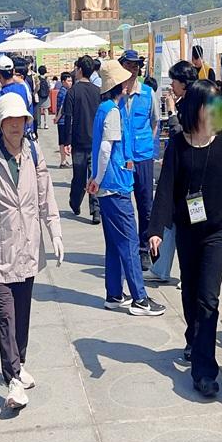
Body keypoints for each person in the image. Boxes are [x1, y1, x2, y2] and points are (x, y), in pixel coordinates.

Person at [149, 80, 222, 397]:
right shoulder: (178, 146)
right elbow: (166, 189)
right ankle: (194, 338)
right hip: (187, 230)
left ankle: (204, 371)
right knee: (191, 292)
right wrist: (155, 230)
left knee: (208, 298)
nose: (218, 114)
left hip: (218, 232)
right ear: (197, 109)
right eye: (213, 108)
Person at [0, 93, 65, 410]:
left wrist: (55, 232)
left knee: (22, 314)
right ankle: (12, 378)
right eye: (9, 120)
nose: (15, 126)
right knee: (6, 316)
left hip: (28, 247)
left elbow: (45, 195)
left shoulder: (34, 152)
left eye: (20, 120)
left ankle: (19, 362)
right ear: (0, 122)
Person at [90, 60, 166, 316]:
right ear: (119, 84)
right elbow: (105, 148)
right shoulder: (112, 111)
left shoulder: (105, 108)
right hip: (115, 183)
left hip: (109, 183)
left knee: (114, 243)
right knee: (130, 242)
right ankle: (140, 298)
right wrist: (99, 178)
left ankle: (114, 294)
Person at [145, 61, 197, 285]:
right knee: (171, 222)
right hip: (182, 178)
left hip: (191, 179)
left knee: (192, 225)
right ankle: (161, 267)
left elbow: (182, 138)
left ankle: (185, 275)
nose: (171, 86)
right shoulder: (194, 101)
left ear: (183, 83)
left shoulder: (191, 105)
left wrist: (173, 111)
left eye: (174, 81)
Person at [119, 49, 158, 271]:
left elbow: (154, 122)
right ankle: (128, 247)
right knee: (123, 204)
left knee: (145, 203)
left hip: (143, 156)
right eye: (128, 65)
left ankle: (144, 249)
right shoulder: (115, 94)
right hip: (123, 156)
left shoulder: (147, 93)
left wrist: (147, 144)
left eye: (135, 66)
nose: (132, 70)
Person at [64, 55, 102, 223]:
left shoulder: (72, 92)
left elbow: (68, 118)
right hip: (95, 141)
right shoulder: (98, 92)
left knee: (78, 176)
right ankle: (96, 211)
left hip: (78, 142)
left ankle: (75, 202)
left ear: (79, 70)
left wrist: (66, 141)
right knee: (95, 175)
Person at [55, 71, 73, 167]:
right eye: (68, 81)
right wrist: (57, 118)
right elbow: (62, 107)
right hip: (63, 120)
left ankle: (64, 160)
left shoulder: (62, 91)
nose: (70, 83)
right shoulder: (64, 92)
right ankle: (63, 161)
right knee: (63, 141)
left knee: (62, 141)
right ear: (63, 81)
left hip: (61, 120)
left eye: (71, 81)